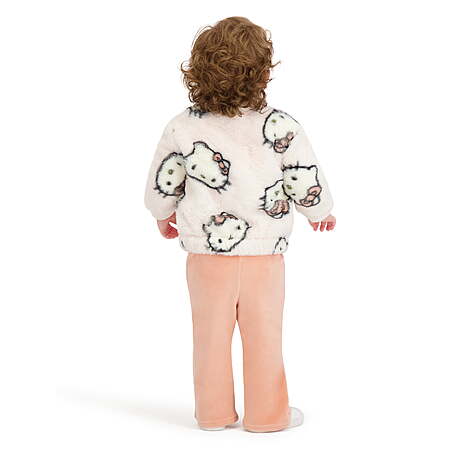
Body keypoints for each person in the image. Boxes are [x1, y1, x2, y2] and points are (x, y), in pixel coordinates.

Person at [145, 16, 336, 433]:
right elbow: (302, 176)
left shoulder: (183, 126)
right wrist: (320, 212)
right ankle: (268, 416)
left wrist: (162, 215)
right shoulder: (281, 125)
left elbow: (164, 180)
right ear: (264, 73)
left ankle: (213, 415)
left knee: (209, 336)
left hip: (205, 256)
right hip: (263, 255)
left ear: (197, 71)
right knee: (264, 335)